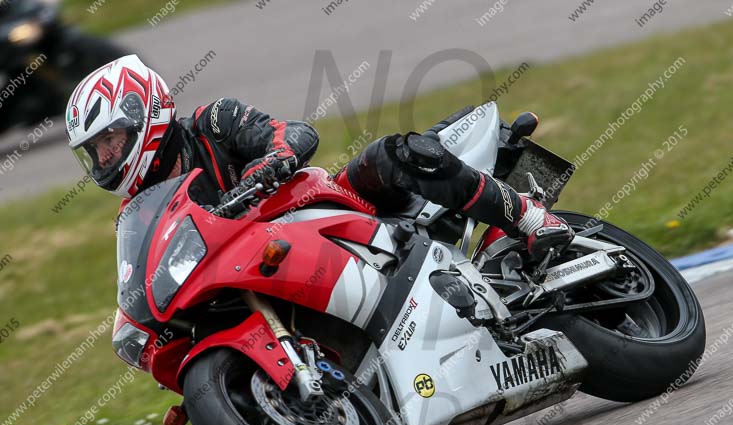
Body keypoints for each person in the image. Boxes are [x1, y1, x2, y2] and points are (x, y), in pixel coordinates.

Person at [66, 55, 573, 259]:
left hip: (326, 210)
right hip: (267, 265)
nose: (106, 156)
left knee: (393, 155)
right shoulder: (138, 214)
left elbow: (293, 132)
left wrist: (272, 161)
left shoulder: (212, 122)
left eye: (108, 140)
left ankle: (532, 217)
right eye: (95, 152)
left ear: (141, 114)